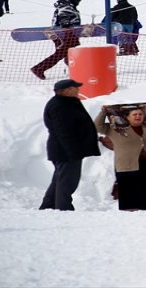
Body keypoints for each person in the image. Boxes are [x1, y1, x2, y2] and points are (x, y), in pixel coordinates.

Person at [95, 104, 146, 210]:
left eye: (140, 114)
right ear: (127, 117)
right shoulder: (115, 129)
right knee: (130, 196)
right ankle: (131, 218)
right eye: (134, 114)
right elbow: (97, 126)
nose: (138, 116)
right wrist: (103, 112)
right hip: (127, 166)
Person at [40, 79, 101, 210]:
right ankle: (64, 208)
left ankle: (48, 206)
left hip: (67, 149)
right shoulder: (59, 106)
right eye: (75, 87)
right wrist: (72, 152)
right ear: (66, 90)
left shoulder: (67, 102)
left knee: (60, 179)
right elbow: (63, 132)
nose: (78, 90)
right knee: (68, 182)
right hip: (65, 151)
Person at [32, 0, 83, 79]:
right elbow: (64, 20)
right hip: (65, 34)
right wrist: (67, 26)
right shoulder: (66, 7)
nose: (80, 0)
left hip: (68, 34)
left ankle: (77, 69)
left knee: (71, 51)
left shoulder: (67, 6)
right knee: (61, 53)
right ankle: (39, 68)